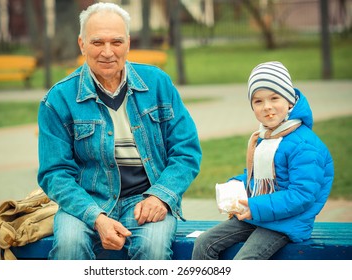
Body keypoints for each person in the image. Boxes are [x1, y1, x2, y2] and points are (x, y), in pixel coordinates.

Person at [37, 2, 202, 260]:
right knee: (69, 246)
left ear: (128, 43)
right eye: (97, 42)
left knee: (154, 249)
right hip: (85, 202)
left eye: (116, 42)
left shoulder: (158, 83)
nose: (107, 52)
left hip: (146, 200)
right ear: (82, 44)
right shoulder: (57, 100)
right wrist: (96, 217)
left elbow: (186, 152)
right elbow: (54, 173)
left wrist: (160, 197)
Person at [192, 61, 334, 260]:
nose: (267, 107)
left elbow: (302, 194)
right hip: (260, 214)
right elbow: (259, 177)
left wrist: (255, 207)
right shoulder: (266, 137)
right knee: (203, 243)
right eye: (258, 101)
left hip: (287, 222)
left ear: (290, 101)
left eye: (274, 98)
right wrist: (236, 185)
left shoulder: (305, 145)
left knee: (244, 261)